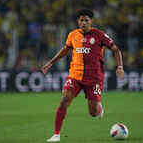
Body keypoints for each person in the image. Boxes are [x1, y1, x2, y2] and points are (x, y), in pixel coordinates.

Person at [41, 9, 124, 142]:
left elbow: (116, 49)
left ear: (91, 21)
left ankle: (99, 107)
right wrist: (51, 62)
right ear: (77, 21)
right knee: (64, 101)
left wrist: (120, 66)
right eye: (81, 20)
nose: (84, 22)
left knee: (93, 113)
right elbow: (65, 49)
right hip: (75, 75)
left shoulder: (100, 35)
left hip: (94, 78)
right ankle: (56, 134)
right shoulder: (73, 35)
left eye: (86, 20)